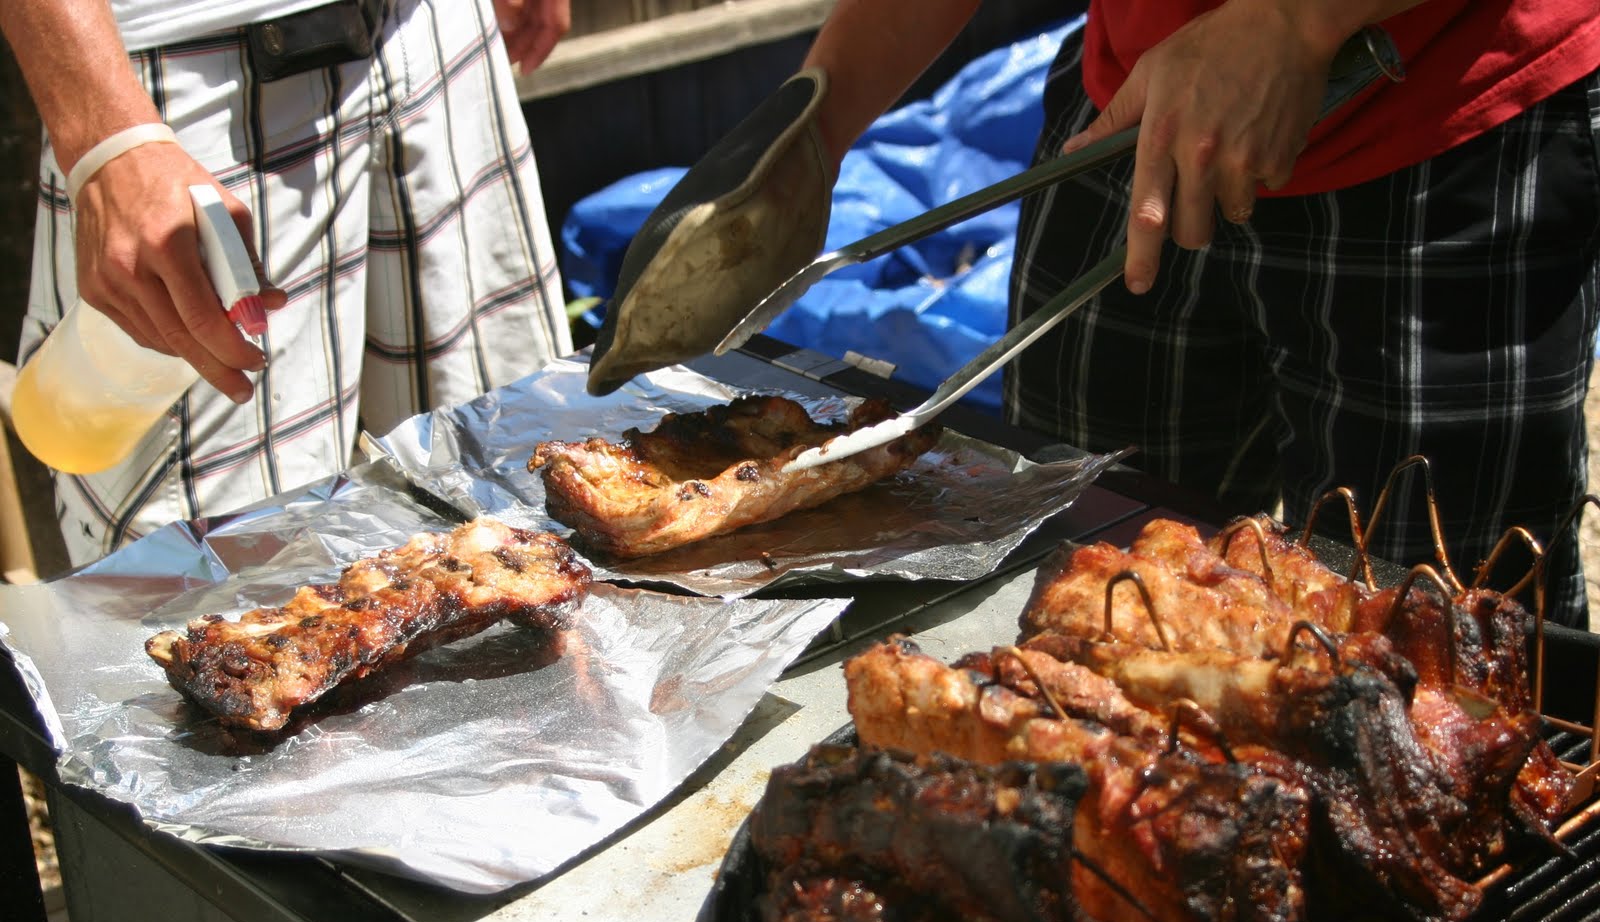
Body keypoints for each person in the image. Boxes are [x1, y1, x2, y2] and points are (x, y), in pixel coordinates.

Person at [740, 0, 1600, 628]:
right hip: (1135, 111)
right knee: (1069, 581)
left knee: (1434, 651)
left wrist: (1297, 21)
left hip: (1444, 110)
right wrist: (809, 137)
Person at [2, 0, 574, 568]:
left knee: (517, 514)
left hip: (437, 34)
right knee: (214, 597)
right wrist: (105, 135)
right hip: (180, 84)